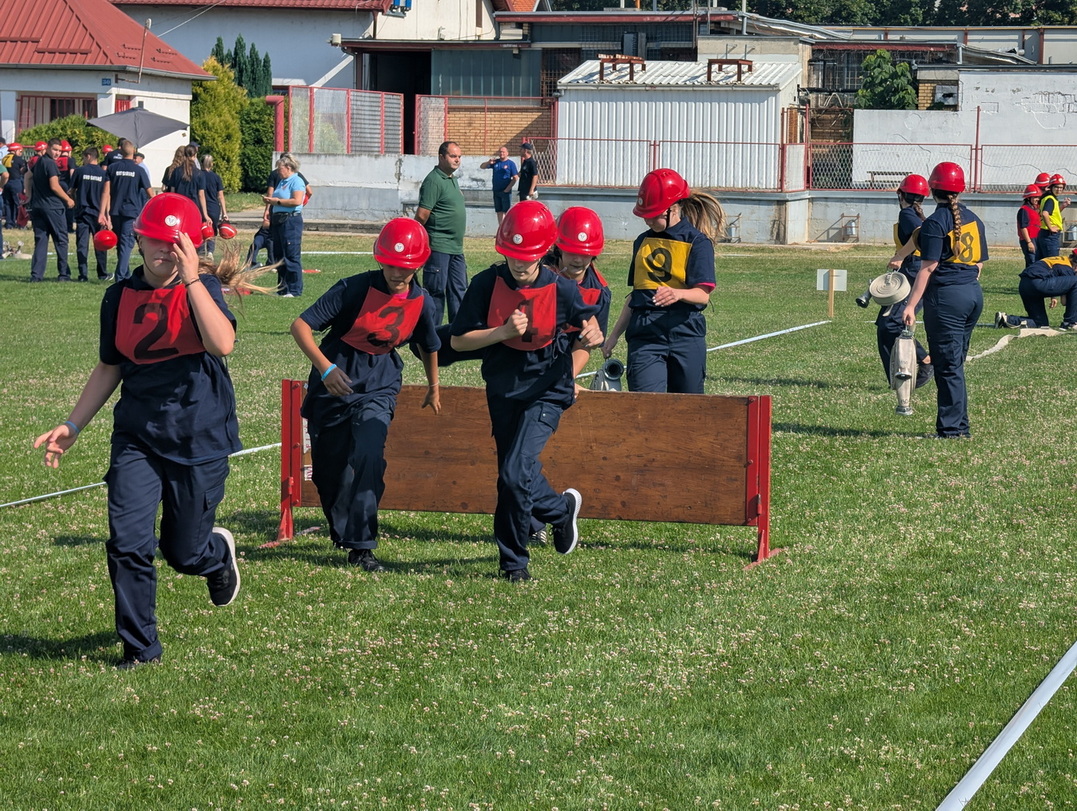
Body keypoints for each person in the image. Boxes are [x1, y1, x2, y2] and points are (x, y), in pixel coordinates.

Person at [33, 193, 267, 669]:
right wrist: (72, 424)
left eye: (176, 242)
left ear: (192, 245)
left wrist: (192, 279)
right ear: (139, 241)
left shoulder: (202, 287)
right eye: (156, 240)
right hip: (137, 436)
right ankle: (141, 648)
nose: (166, 250)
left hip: (199, 436)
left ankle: (215, 554)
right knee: (127, 543)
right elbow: (110, 366)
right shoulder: (118, 296)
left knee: (183, 553)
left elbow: (222, 343)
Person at [449, 201, 603, 582]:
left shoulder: (562, 289)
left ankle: (514, 564)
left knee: (515, 472)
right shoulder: (486, 284)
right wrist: (501, 332)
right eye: (513, 255)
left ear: (544, 251)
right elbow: (458, 341)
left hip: (548, 390)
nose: (520, 264)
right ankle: (561, 512)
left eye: (529, 256)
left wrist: (593, 333)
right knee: (512, 475)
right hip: (503, 390)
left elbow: (589, 327)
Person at [290, 218, 442, 572]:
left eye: (405, 266)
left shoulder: (423, 302)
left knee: (370, 456)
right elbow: (300, 326)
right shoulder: (353, 288)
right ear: (379, 259)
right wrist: (326, 369)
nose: (397, 272)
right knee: (329, 474)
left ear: (419, 264)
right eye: (390, 263)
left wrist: (433, 386)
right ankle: (343, 530)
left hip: (379, 387)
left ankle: (362, 545)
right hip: (333, 386)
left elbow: (429, 344)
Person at [601, 168, 725, 393]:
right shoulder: (641, 242)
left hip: (685, 332)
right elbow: (635, 296)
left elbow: (702, 295)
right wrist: (614, 336)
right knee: (647, 405)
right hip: (645, 335)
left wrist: (678, 293)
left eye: (653, 214)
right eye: (644, 214)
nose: (647, 220)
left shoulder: (697, 242)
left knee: (688, 407)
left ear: (673, 209)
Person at [901, 161, 987, 439]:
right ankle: (959, 426)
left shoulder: (935, 222)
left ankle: (951, 430)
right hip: (972, 294)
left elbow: (927, 268)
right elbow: (979, 264)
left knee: (948, 367)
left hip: (948, 298)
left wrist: (910, 305)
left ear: (932, 189)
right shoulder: (974, 218)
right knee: (954, 365)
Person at [878, 174, 933, 389]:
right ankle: (895, 379)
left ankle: (925, 361)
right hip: (913, 269)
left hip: (913, 270)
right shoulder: (915, 213)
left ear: (900, 194)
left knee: (890, 323)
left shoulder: (908, 214)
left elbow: (921, 233)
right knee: (885, 325)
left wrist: (900, 255)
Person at [416, 141, 467, 324]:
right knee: (436, 292)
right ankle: (432, 333)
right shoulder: (434, 180)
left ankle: (458, 332)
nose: (457, 160)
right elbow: (422, 215)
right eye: (453, 156)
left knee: (459, 291)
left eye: (459, 156)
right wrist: (416, 240)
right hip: (439, 246)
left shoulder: (452, 179)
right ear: (441, 157)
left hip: (456, 248)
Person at [99, 140, 154, 281]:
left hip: (115, 211)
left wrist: (103, 213)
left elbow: (106, 192)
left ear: (120, 152)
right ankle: (120, 277)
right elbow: (150, 193)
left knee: (121, 244)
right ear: (134, 152)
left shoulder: (112, 168)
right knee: (126, 244)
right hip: (131, 212)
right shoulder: (139, 170)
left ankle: (125, 274)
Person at [28, 138, 75, 282]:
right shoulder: (50, 164)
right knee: (61, 240)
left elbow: (28, 177)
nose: (57, 153)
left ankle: (36, 275)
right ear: (47, 148)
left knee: (41, 240)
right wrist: (68, 199)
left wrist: (29, 196)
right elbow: (54, 186)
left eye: (59, 151)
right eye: (55, 149)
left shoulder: (39, 162)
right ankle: (64, 274)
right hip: (53, 207)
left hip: (38, 206)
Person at [996, 250, 1077, 330]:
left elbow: (1053, 274)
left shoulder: (1061, 260)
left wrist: (1053, 296)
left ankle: (1006, 319)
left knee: (1041, 324)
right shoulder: (1067, 268)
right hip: (1037, 282)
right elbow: (1064, 302)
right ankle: (1070, 323)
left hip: (1025, 284)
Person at [262, 154, 306, 297]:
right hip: (278, 221)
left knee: (291, 255)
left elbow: (296, 201)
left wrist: (276, 202)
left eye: (279, 168)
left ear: (288, 167)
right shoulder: (282, 181)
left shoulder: (297, 181)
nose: (277, 171)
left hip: (290, 221)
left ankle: (294, 290)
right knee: (279, 255)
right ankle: (282, 288)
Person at [70, 146, 109, 281]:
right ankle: (102, 273)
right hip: (98, 213)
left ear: (88, 156)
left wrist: (75, 201)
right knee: (100, 244)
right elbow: (106, 194)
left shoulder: (79, 171)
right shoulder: (103, 173)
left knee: (82, 244)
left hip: (82, 212)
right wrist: (106, 214)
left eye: (83, 157)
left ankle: (83, 274)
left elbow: (71, 190)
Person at [162, 145, 211, 234]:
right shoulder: (200, 174)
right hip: (194, 207)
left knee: (179, 232)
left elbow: (172, 191)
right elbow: (201, 195)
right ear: (195, 155)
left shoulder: (176, 171)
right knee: (192, 232)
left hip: (179, 206)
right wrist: (205, 214)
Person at [480, 146, 517, 225]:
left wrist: (507, 189)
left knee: (506, 211)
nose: (501, 153)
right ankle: (500, 228)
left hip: (505, 192)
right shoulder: (495, 162)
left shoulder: (511, 164)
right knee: (499, 211)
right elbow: (482, 166)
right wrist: (488, 162)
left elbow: (515, 178)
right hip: (496, 190)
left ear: (507, 153)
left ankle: (507, 228)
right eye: (500, 152)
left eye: (503, 152)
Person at [201, 154, 227, 258]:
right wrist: (224, 212)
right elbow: (220, 196)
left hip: (201, 206)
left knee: (201, 228)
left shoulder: (198, 175)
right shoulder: (216, 177)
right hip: (214, 207)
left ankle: (201, 251)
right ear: (211, 164)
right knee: (213, 230)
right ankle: (210, 251)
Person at [1036, 174, 1068, 260]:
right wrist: (1051, 228)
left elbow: (1052, 214)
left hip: (1044, 234)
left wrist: (1063, 206)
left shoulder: (1048, 198)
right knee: (1053, 261)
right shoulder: (1051, 199)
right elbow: (1045, 213)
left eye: (1061, 188)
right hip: (1049, 235)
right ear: (1051, 187)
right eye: (1056, 187)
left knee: (1041, 262)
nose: (1059, 189)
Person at [1017, 184, 1042, 267]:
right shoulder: (1024, 210)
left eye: (1038, 197)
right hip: (1029, 239)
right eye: (1035, 197)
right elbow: (1023, 227)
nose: (1037, 199)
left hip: (1036, 238)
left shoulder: (1034, 208)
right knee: (1032, 261)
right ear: (1028, 198)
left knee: (1036, 261)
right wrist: (1029, 242)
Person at [2, 142, 26, 229]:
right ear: (16, 150)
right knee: (19, 204)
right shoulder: (18, 159)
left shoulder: (4, 158)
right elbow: (23, 170)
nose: (21, 153)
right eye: (20, 151)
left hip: (6, 183)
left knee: (8, 204)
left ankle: (9, 223)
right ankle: (21, 224)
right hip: (16, 182)